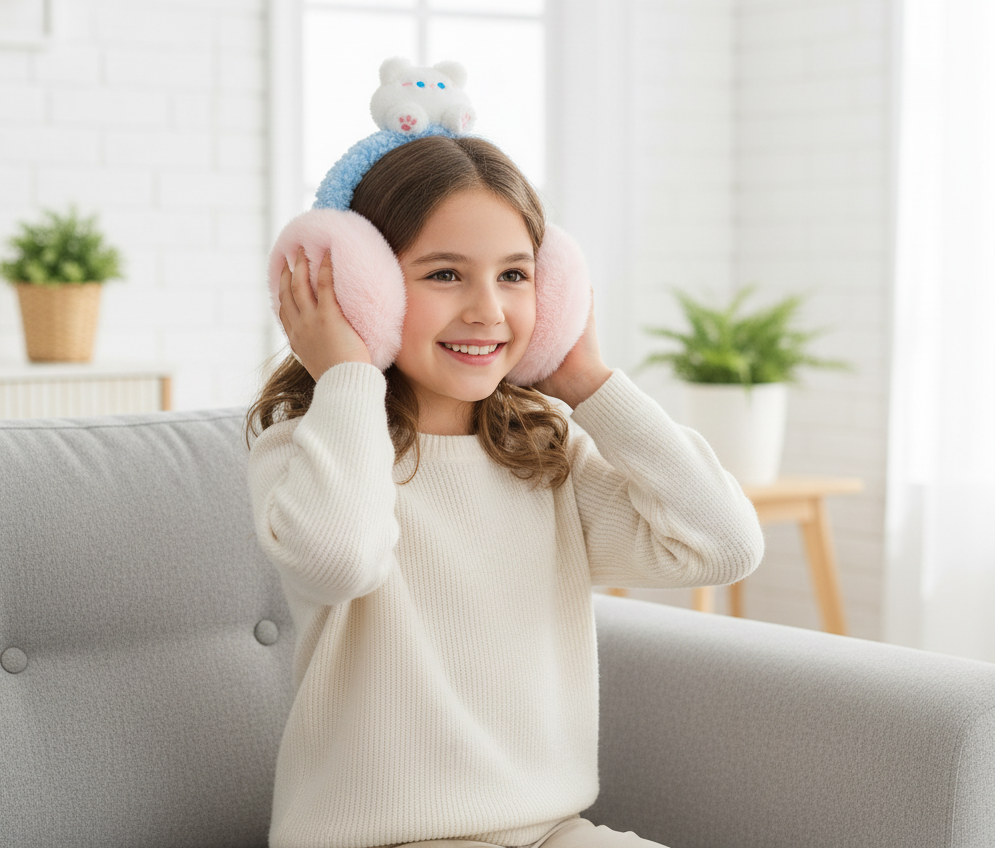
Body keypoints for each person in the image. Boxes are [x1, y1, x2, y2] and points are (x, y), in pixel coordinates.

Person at [247, 97, 764, 848]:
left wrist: (587, 381)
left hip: (549, 832)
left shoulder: (543, 450)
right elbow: (340, 559)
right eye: (446, 273)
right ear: (366, 289)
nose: (488, 310)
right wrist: (347, 378)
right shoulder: (308, 444)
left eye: (516, 275)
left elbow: (723, 546)